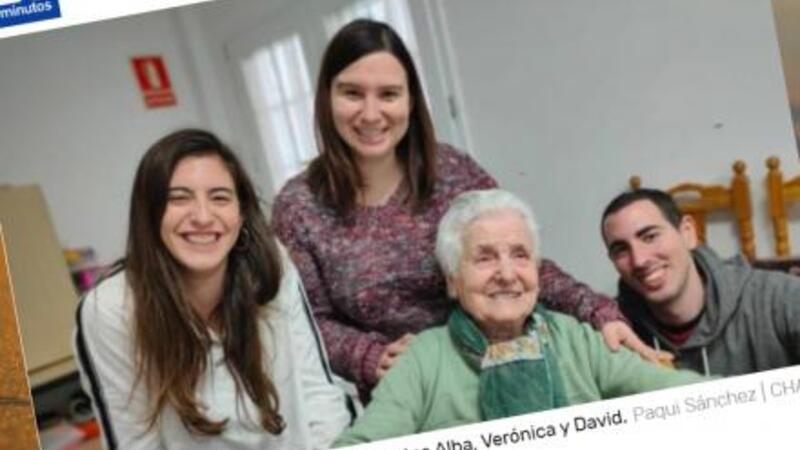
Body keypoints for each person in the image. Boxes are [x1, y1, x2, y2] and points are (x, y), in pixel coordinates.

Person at [272, 18, 660, 399]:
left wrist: (597, 311)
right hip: (408, 394)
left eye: (388, 94)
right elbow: (309, 322)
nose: (371, 114)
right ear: (327, 98)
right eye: (353, 93)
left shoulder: (453, 171)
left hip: (503, 368)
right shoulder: (298, 206)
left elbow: (521, 261)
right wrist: (369, 356)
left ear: (411, 100)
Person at [333, 189, 704, 445]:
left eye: (520, 255)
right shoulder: (423, 358)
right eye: (484, 258)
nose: (507, 274)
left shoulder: (575, 339)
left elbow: (687, 395)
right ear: (452, 280)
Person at [73, 129, 351, 450]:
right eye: (179, 198)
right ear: (149, 213)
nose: (203, 217)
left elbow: (318, 395)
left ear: (241, 213)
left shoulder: (270, 266)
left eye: (220, 197)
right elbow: (135, 442)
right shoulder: (111, 309)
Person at [600, 188, 800, 376]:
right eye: (621, 250)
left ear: (687, 233)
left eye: (650, 237)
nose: (639, 260)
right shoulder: (614, 333)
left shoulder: (780, 298)